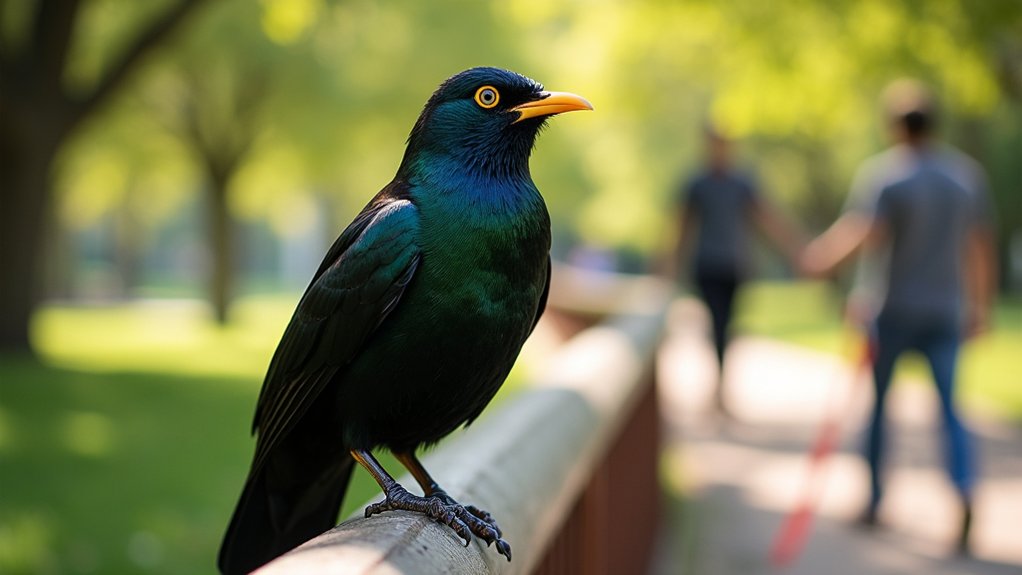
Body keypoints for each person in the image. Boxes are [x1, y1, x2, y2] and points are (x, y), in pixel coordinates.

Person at [801, 79, 997, 554]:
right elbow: (979, 248)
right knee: (949, 410)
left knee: (880, 409)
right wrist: (981, 307)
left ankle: (874, 501)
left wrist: (820, 260)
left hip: (893, 311)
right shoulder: (964, 177)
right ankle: (964, 490)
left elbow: (866, 233)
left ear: (894, 126)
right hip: (946, 311)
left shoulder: (887, 175)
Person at [670, 123, 802, 415]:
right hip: (707, 265)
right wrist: (668, 266)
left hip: (735, 265)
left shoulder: (743, 182)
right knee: (716, 322)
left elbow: (766, 218)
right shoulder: (697, 183)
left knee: (727, 324)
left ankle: (721, 386)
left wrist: (796, 250)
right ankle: (718, 389)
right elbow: (682, 226)